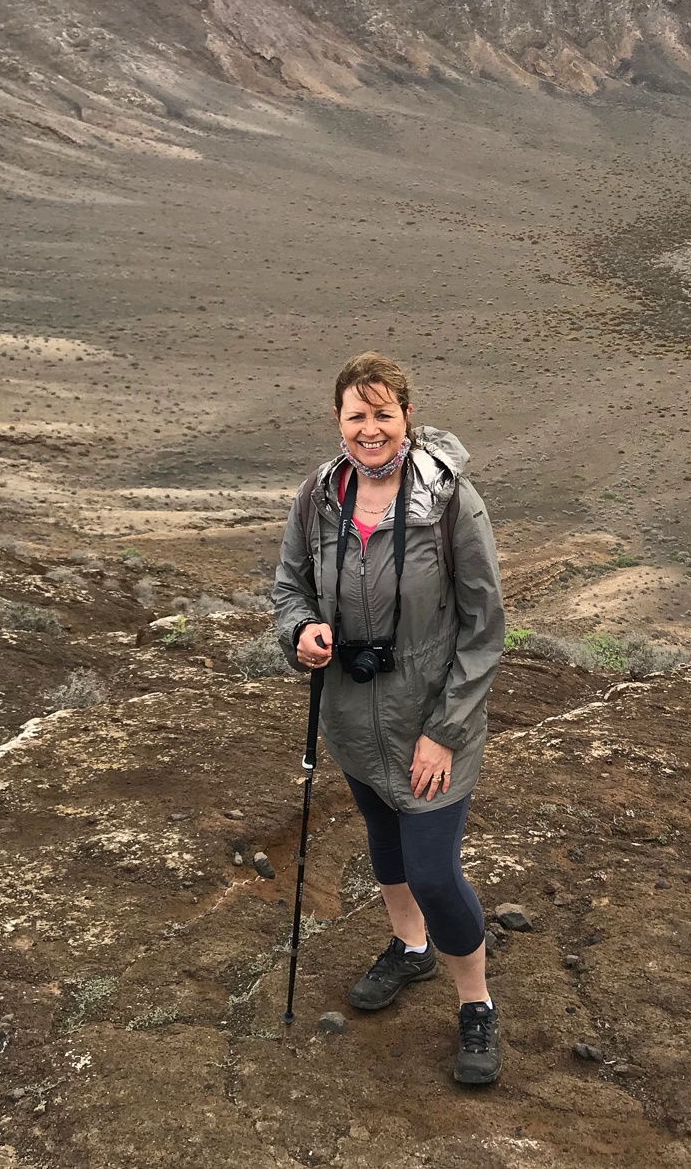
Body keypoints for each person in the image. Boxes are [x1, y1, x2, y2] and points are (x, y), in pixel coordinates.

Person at [273, 352, 506, 1085]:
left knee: (435, 873)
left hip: (432, 721)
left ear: (406, 416)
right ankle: (411, 951)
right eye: (355, 416)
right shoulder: (320, 496)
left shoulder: (450, 500)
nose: (369, 429)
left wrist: (445, 730)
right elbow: (289, 587)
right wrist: (302, 633)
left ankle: (477, 1003)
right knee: (386, 846)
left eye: (382, 414)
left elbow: (484, 625)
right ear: (338, 423)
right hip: (350, 715)